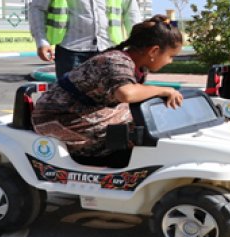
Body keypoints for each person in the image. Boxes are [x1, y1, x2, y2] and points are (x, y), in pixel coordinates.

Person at [31, 15, 183, 166]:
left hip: (86, 110)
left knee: (147, 123)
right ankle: (118, 165)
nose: (171, 61)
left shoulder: (138, 66)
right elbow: (126, 93)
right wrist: (164, 90)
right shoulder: (116, 61)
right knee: (130, 133)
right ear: (154, 51)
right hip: (60, 116)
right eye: (171, 56)